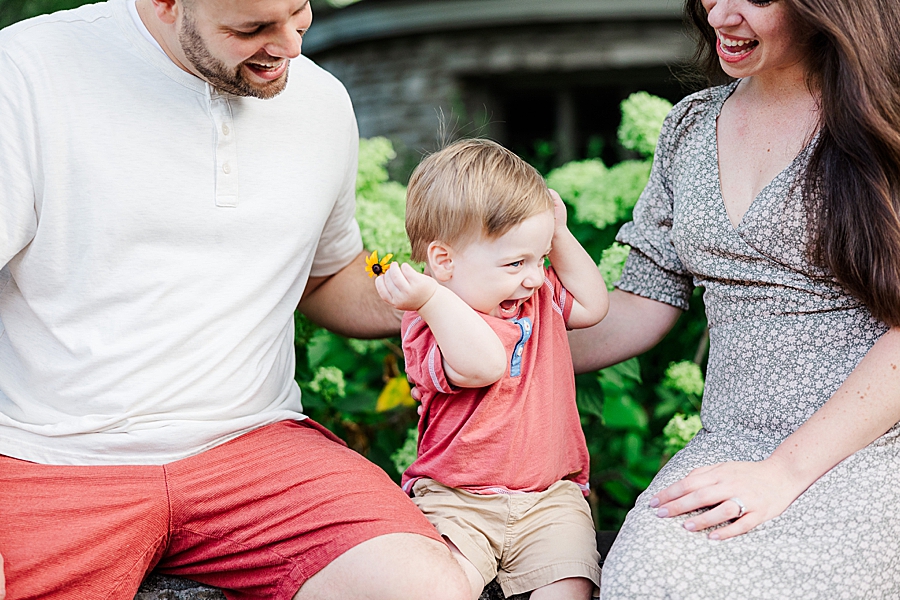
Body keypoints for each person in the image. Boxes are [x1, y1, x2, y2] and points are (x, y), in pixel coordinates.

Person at [0, 0, 473, 598]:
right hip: (46, 461)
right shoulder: (26, 73)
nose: (291, 48)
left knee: (427, 588)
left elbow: (326, 278)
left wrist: (445, 296)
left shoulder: (321, 101)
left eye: (298, 13)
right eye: (252, 28)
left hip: (257, 449)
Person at [566, 0, 900, 597]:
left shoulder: (882, 118)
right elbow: (643, 301)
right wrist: (500, 343)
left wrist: (783, 473)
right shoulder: (691, 127)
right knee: (646, 579)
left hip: (868, 448)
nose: (721, 14)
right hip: (731, 447)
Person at [373, 139, 608, 600]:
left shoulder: (536, 298)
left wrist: (557, 234)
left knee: (568, 588)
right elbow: (484, 365)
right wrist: (431, 297)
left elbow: (594, 305)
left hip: (549, 498)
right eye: (516, 262)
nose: (536, 276)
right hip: (458, 499)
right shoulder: (429, 323)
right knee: (439, 586)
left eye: (540, 258)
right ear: (444, 262)